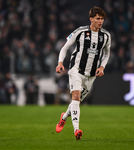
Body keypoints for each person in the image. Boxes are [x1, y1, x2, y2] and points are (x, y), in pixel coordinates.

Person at [55, 6, 111, 140]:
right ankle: (76, 130)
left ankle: (63, 118)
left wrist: (102, 67)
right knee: (75, 97)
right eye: (98, 18)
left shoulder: (106, 36)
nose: (100, 21)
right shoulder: (80, 31)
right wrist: (60, 62)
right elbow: (65, 47)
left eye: (102, 19)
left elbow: (107, 53)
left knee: (77, 101)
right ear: (91, 19)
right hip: (76, 70)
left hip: (91, 75)